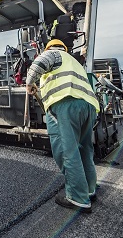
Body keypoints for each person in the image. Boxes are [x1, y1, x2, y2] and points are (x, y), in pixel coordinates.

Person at [26, 39, 100, 213]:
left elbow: (40, 63)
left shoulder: (53, 54)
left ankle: (77, 198)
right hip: (88, 107)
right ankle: (89, 190)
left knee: (67, 151)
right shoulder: (74, 63)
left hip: (66, 105)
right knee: (84, 150)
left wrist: (29, 83)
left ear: (49, 48)